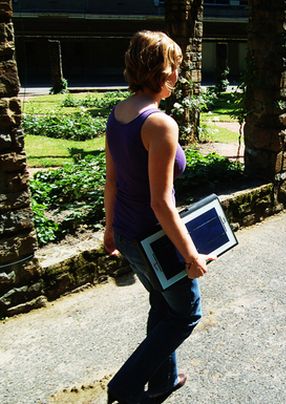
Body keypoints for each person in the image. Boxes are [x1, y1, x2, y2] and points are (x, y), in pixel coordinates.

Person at [103, 30, 215, 404]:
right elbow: (162, 202)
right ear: (160, 71)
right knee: (186, 314)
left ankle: (161, 381)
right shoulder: (160, 124)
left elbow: (112, 180)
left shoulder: (118, 114)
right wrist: (191, 255)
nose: (177, 77)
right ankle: (125, 387)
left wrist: (109, 231)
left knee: (162, 303)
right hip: (155, 238)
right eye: (175, 68)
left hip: (128, 233)